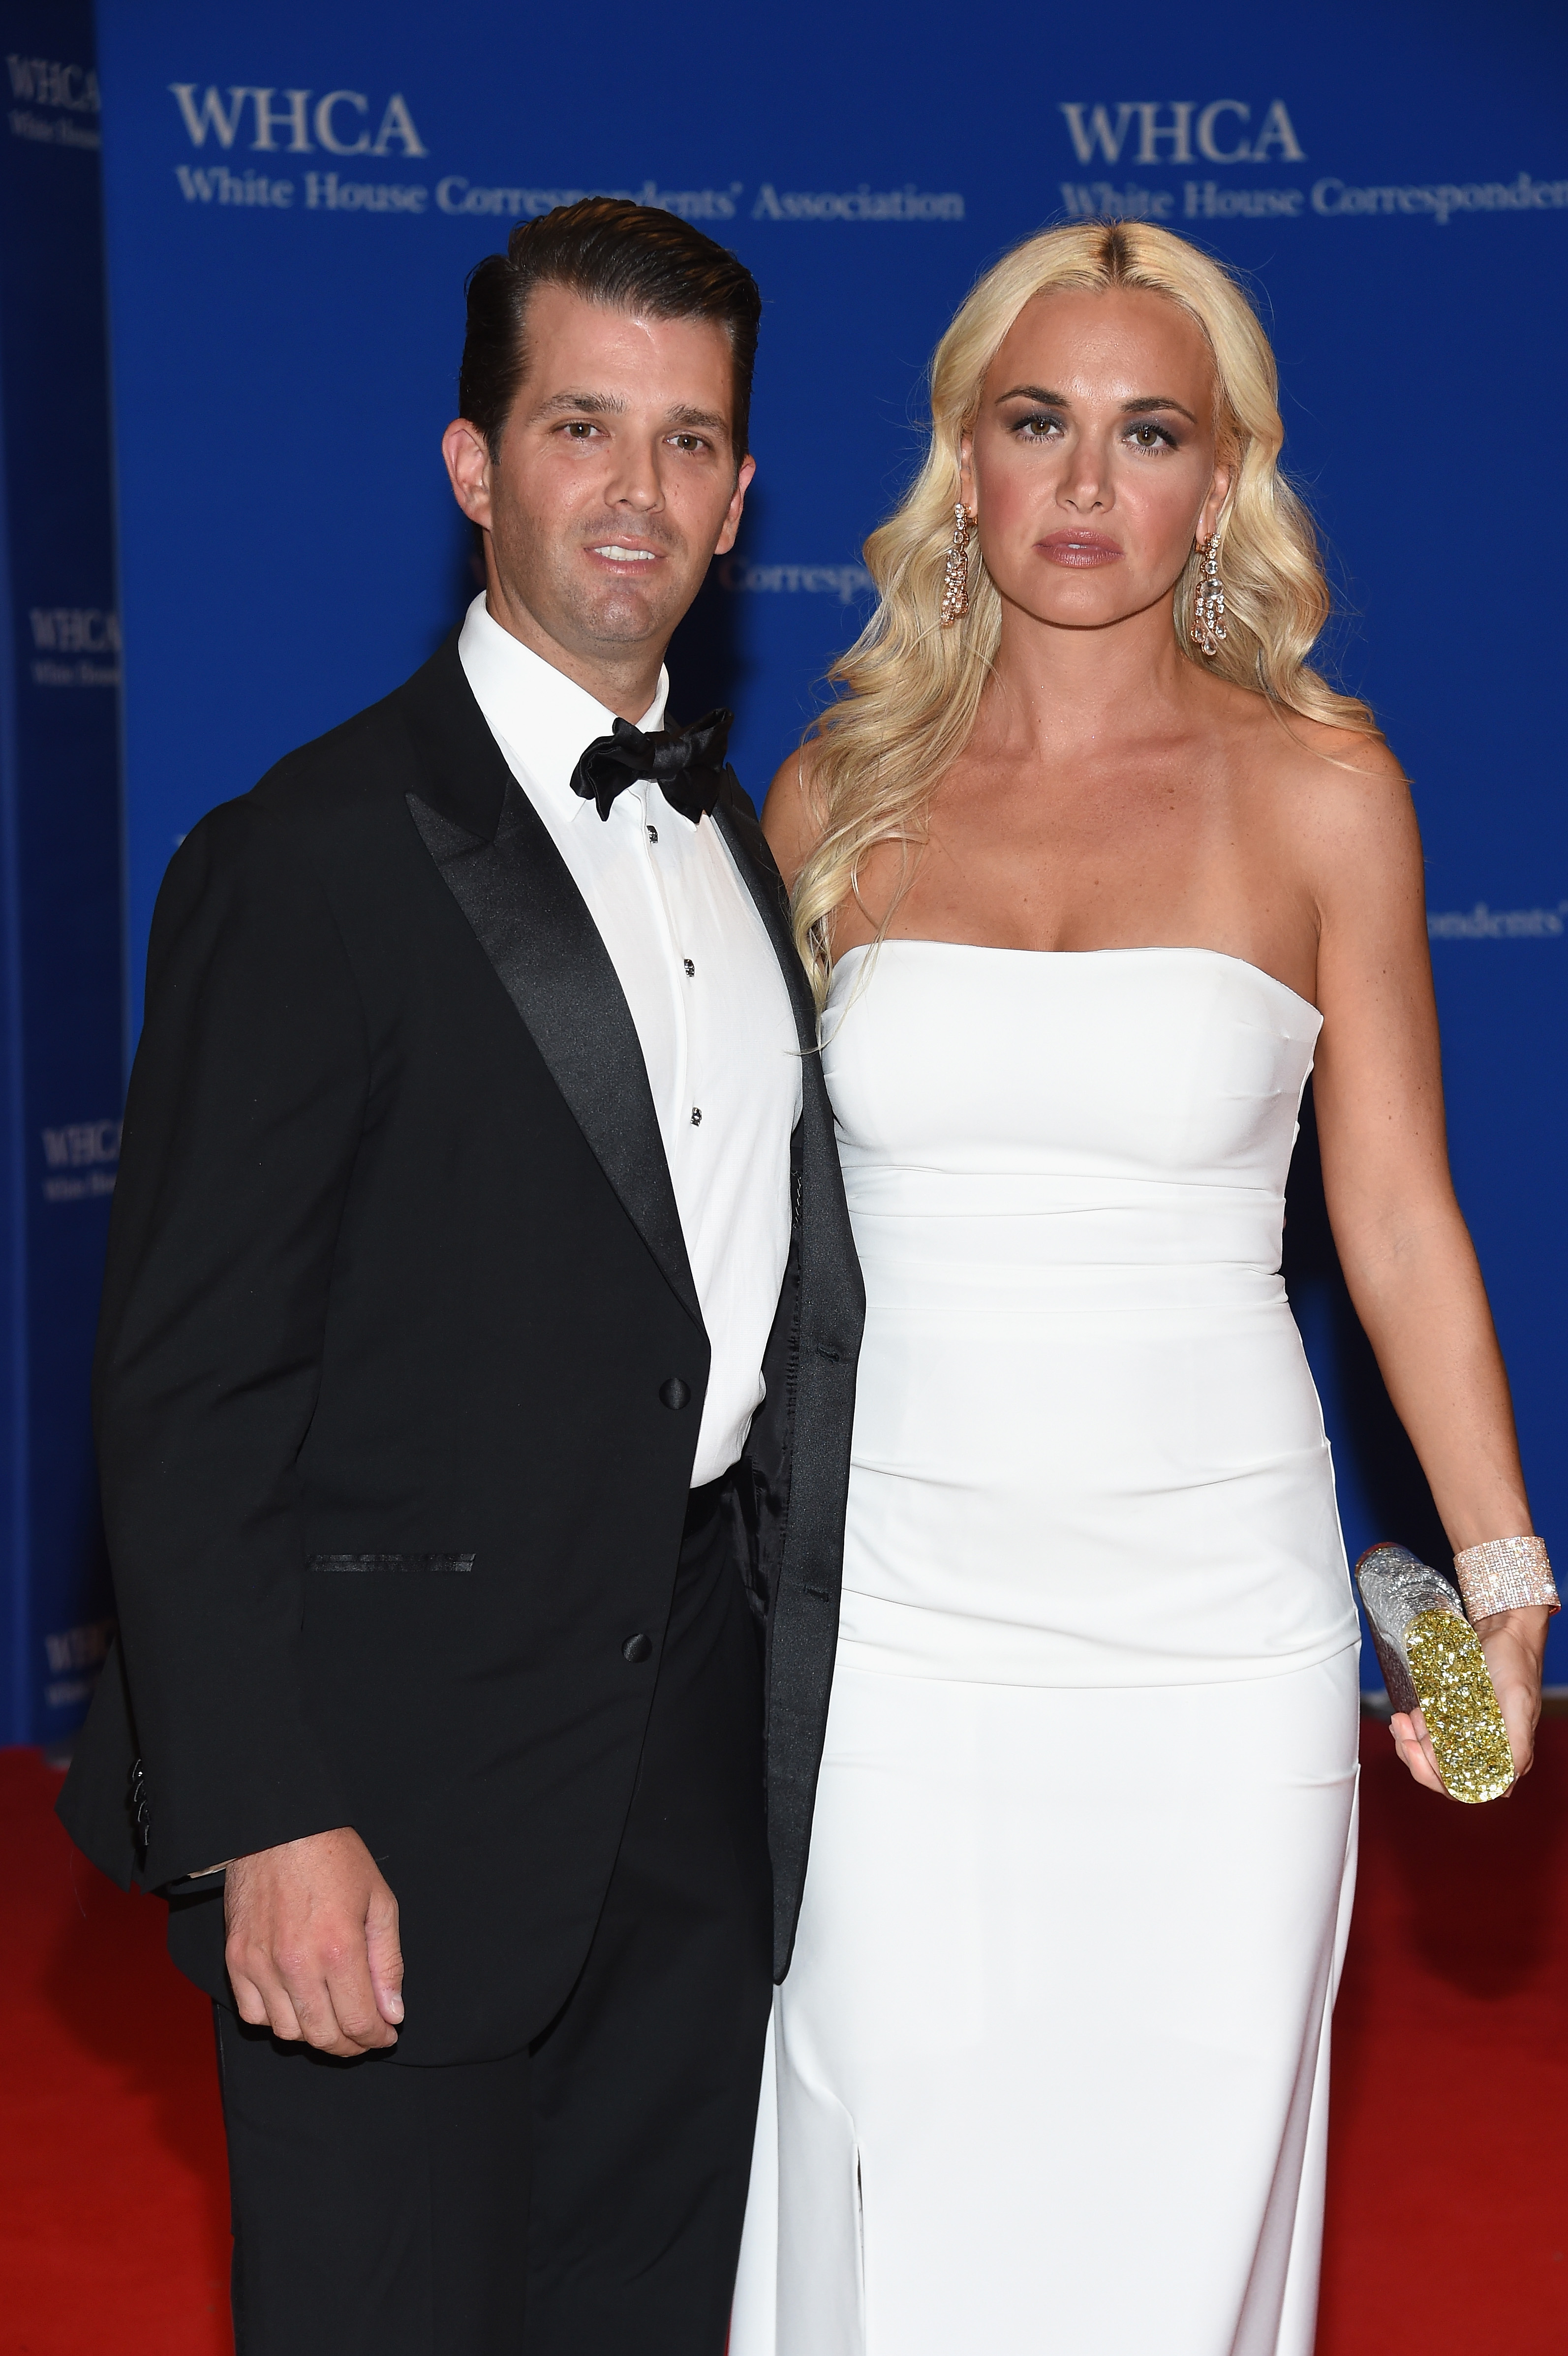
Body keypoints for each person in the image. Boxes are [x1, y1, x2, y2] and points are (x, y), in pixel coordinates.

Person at [731, 218, 1556, 2356]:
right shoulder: (829, 800)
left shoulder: (1319, 792)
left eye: (1147, 431)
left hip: (1214, 1637)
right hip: (895, 1634)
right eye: (1037, 424)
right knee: (889, 2193)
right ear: (961, 458)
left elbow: (1388, 1213)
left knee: (1171, 2218)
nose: (1085, 486)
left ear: (1222, 480)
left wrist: (1493, 1554)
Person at [57, 197, 862, 2356]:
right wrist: (264, 1816)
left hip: (686, 1787)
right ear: (469, 465)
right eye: (580, 426)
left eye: (688, 441)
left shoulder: (736, 842)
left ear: (741, 492)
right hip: (386, 1808)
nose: (637, 490)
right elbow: (186, 1390)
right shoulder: (302, 855)